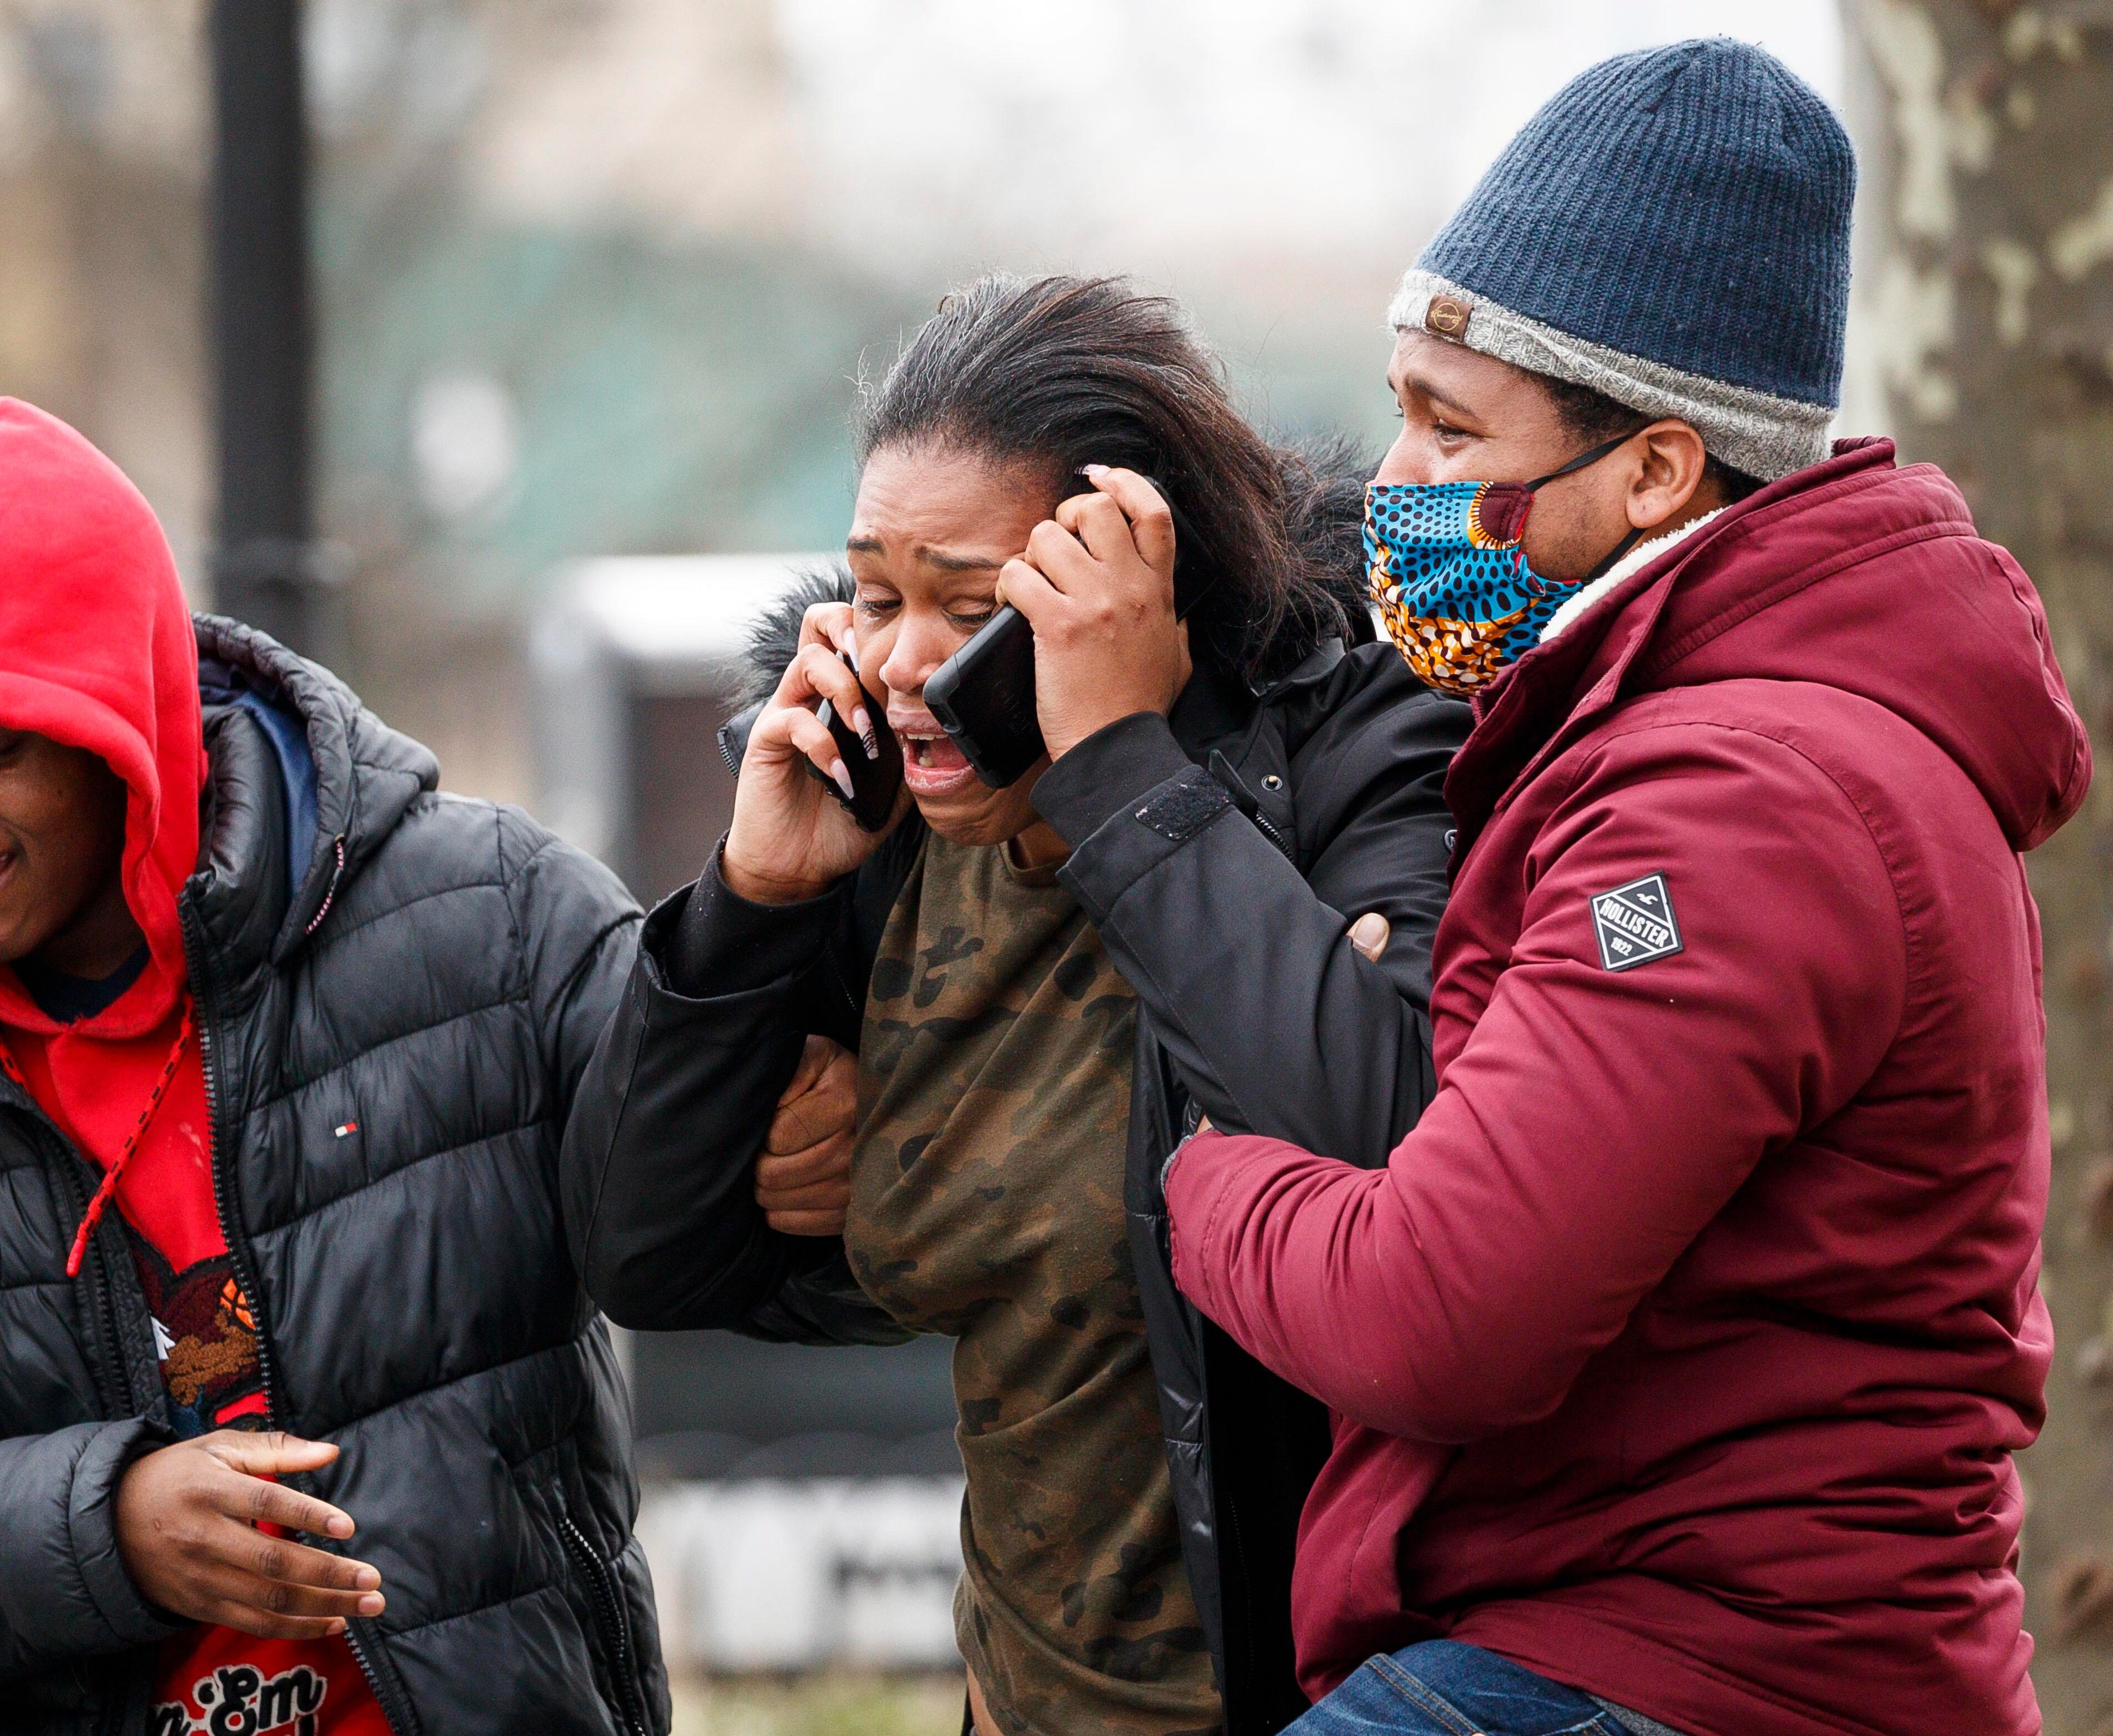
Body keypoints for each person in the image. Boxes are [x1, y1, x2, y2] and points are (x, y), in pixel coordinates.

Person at [1162, 41, 2089, 1736]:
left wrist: (1204, 1185)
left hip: (1670, 1671)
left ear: (1659, 473)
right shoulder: (1738, 738)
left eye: (1455, 429)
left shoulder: (1730, 801)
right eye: (1402, 412)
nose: (1398, 483)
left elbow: (1443, 1313)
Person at [0, 399, 680, 1735]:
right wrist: (110, 1529)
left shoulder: (498, 921)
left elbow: (744, 1255)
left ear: (122, 731)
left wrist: (763, 953)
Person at [561, 276, 1467, 1736]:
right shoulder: (889, 835)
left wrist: (1116, 755)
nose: (905, 662)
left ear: (1129, 584)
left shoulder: (1348, 765)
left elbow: (1390, 1155)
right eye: (874, 594)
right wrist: (751, 906)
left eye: (973, 607)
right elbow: (647, 1262)